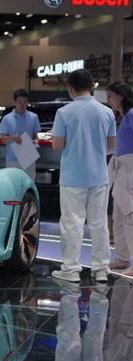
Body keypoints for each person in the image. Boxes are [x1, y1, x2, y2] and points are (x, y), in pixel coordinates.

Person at [51, 69, 116, 283]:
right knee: (99, 223)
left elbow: (57, 145)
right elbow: (111, 145)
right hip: (99, 175)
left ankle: (71, 269)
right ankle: (101, 269)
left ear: (70, 88)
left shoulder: (64, 112)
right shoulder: (106, 112)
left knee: (72, 223)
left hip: (72, 176)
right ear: (92, 85)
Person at [106, 82, 133, 272]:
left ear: (121, 96)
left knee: (129, 215)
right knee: (118, 215)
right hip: (120, 168)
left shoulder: (131, 115)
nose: (109, 100)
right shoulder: (124, 117)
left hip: (130, 169)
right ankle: (123, 258)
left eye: (110, 96)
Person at [0, 89, 41, 180]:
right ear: (15, 102)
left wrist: (35, 145)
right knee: (13, 184)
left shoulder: (33, 117)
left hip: (28, 157)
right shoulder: (7, 118)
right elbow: (3, 139)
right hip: (12, 159)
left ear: (27, 102)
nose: (22, 104)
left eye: (25, 102)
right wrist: (13, 138)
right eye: (19, 102)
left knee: (29, 183)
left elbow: (35, 137)